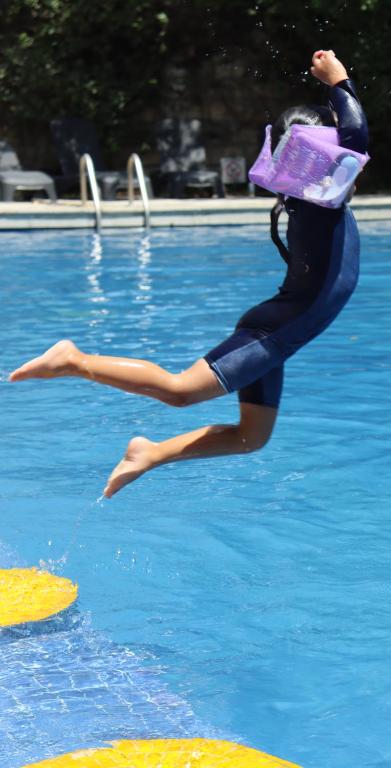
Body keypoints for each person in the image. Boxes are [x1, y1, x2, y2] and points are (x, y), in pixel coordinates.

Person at [8, 50, 369, 499]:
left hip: (279, 331)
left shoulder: (314, 198)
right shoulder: (319, 200)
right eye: (336, 153)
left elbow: (352, 145)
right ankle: (74, 360)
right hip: (272, 333)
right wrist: (339, 82)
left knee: (250, 437)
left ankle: (150, 453)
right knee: (180, 391)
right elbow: (355, 138)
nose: (352, 164)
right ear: (318, 157)